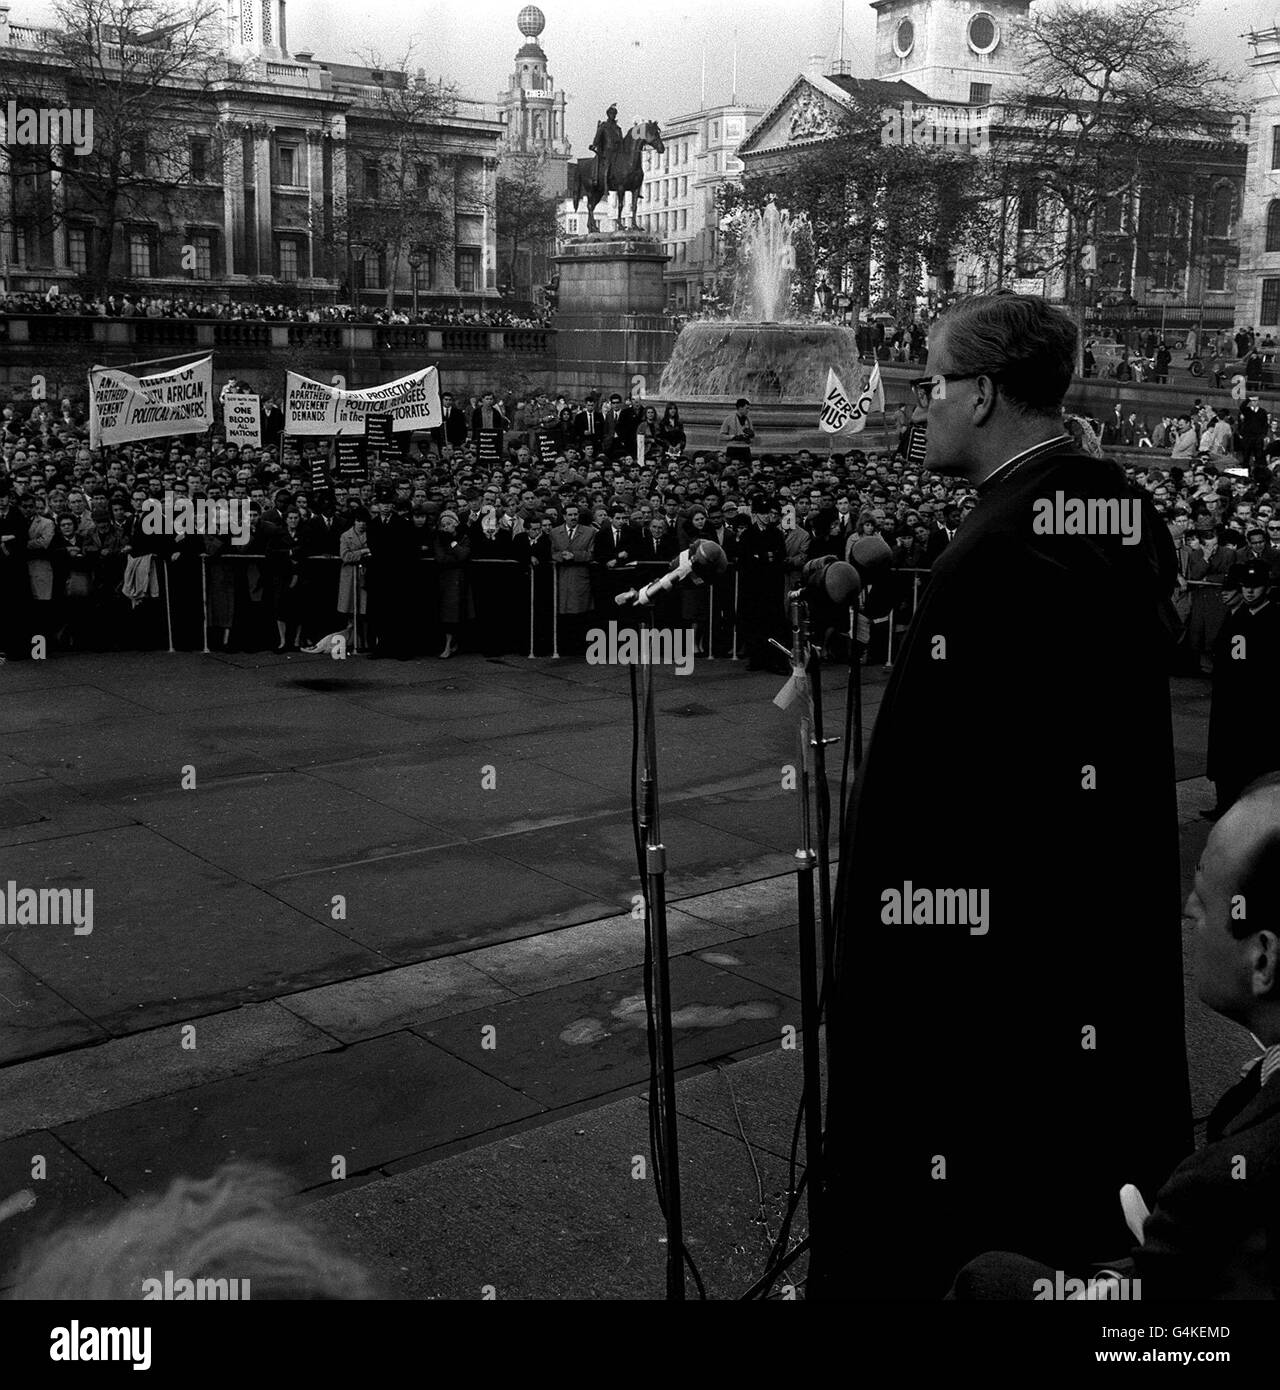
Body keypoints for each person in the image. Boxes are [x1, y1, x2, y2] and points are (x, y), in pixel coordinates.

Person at [811, 292, 1191, 1301]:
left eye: (932, 383)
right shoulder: (1098, 507)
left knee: (970, 1213)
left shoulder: (1008, 547)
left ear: (981, 396)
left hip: (985, 994)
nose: (918, 404)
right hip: (1078, 963)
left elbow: (956, 805)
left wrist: (888, 943)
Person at [952, 775, 1280, 1300]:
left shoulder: (1228, 1182)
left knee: (988, 1280)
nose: (1189, 911)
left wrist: (1124, 1287)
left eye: (1203, 896)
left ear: (1263, 957)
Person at [1204, 560, 1280, 818]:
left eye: (1255, 586)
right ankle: (1225, 806)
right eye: (1245, 587)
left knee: (1255, 759)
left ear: (1266, 587)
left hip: (1258, 702)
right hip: (1230, 698)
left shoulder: (1273, 618)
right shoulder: (1238, 616)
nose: (1249, 591)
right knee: (1228, 756)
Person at [719, 397, 755, 465]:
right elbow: (721, 436)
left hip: (745, 448)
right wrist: (733, 437)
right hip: (733, 448)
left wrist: (749, 436)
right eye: (746, 408)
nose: (748, 410)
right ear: (740, 408)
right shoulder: (728, 419)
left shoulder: (749, 420)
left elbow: (752, 437)